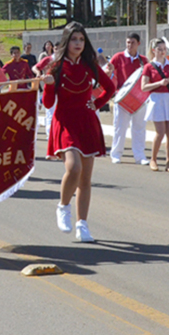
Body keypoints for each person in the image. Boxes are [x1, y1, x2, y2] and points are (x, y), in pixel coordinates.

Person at [40, 22, 116, 243]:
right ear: (66, 41)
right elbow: (47, 103)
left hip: (87, 121)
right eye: (74, 39)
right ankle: (63, 207)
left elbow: (110, 88)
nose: (78, 44)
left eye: (81, 40)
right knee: (74, 168)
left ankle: (82, 225)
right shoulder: (56, 66)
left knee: (85, 179)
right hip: (65, 121)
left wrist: (97, 102)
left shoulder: (89, 64)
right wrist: (47, 84)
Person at [106, 32, 149, 166]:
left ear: (138, 44)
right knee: (120, 127)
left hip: (140, 100)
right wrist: (109, 71)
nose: (130, 45)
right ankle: (116, 154)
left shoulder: (144, 60)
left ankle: (140, 156)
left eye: (133, 43)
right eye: (128, 42)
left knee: (139, 128)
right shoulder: (118, 57)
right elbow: (107, 74)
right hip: (122, 98)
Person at [141, 39, 169, 172]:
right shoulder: (149, 66)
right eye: (160, 49)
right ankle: (153, 159)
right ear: (154, 51)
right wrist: (159, 83)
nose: (163, 52)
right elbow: (144, 87)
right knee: (160, 132)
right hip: (157, 100)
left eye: (164, 49)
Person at [34, 40, 57, 135]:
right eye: (56, 48)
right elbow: (35, 67)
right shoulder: (48, 59)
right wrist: (38, 73)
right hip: (49, 87)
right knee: (50, 113)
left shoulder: (65, 60)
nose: (58, 50)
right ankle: (49, 135)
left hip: (61, 90)